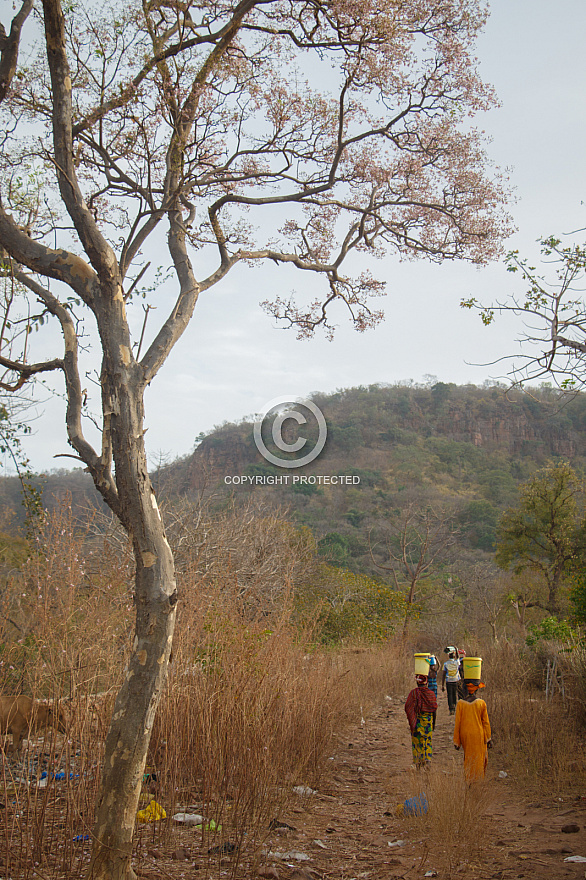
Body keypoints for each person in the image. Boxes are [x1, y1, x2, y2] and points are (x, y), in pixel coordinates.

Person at [453, 680, 492, 782]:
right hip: (479, 734)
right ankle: (478, 781)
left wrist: (457, 741)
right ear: (477, 690)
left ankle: (469, 780)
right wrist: (488, 739)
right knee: (479, 759)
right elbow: (486, 723)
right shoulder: (481, 703)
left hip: (465, 735)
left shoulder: (460, 704)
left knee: (468, 757)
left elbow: (458, 723)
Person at [404, 673, 437, 768]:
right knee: (427, 741)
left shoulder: (414, 693)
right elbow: (434, 709)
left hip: (417, 722)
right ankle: (427, 760)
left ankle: (418, 762)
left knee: (417, 741)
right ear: (426, 683)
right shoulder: (431, 694)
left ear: (417, 683)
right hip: (428, 722)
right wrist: (433, 723)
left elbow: (408, 706)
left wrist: (412, 718)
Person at [442, 647, 460, 715]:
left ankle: (451, 709)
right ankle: (454, 707)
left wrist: (443, 685)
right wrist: (455, 648)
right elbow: (458, 658)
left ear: (448, 656)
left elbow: (443, 675)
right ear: (454, 656)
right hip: (455, 680)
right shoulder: (456, 662)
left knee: (449, 695)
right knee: (454, 694)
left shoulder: (446, 664)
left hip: (448, 681)